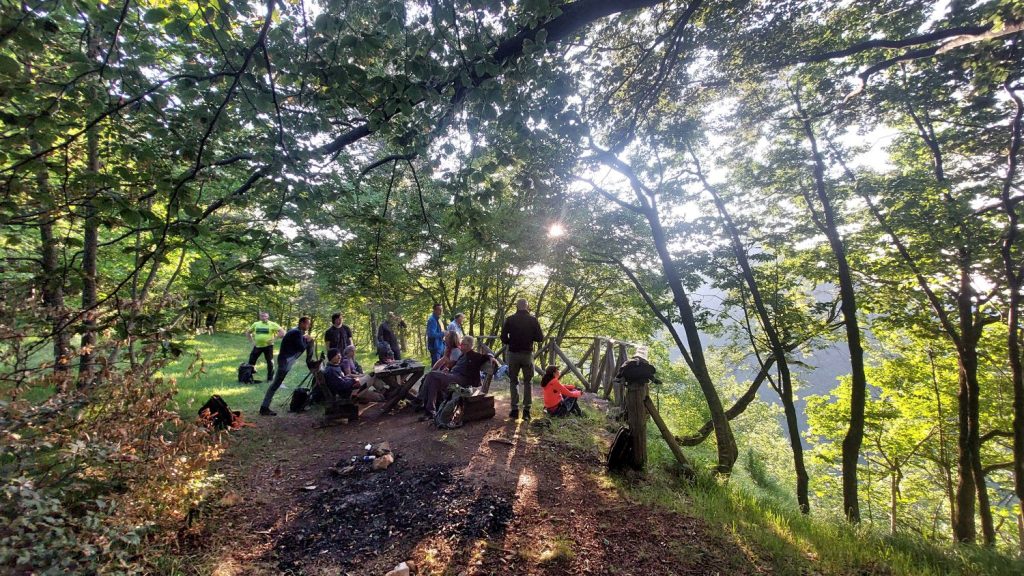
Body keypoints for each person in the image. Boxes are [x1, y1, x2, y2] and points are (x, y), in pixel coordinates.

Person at [420, 335, 498, 417]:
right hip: (454, 376)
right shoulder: (462, 355)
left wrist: (492, 357)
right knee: (432, 378)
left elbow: (487, 355)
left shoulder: (474, 355)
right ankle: (429, 411)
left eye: (463, 344)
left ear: (468, 346)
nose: (460, 345)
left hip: (462, 380)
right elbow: (456, 366)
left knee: (432, 375)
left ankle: (421, 402)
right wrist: (448, 370)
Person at [260, 316, 314, 416]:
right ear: (301, 323)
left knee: (275, 384)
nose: (308, 325)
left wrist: (306, 339)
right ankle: (264, 408)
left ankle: (264, 407)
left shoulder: (297, 332)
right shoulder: (296, 332)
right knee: (275, 385)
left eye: (308, 324)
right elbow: (301, 347)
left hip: (286, 361)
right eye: (307, 323)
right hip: (285, 361)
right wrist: (308, 340)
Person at [500, 298, 544, 421]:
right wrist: (530, 337)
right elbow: (540, 338)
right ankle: (526, 411)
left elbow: (503, 337)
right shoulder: (533, 320)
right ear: (527, 306)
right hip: (527, 354)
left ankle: (514, 410)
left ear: (516, 306)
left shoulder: (510, 319)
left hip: (513, 353)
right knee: (528, 382)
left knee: (513, 382)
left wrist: (511, 342)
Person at [245, 311, 285, 382]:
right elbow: (248, 332)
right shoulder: (256, 324)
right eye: (262, 316)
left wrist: (274, 339)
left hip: (268, 347)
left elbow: (282, 332)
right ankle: (248, 377)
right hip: (257, 346)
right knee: (251, 361)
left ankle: (270, 378)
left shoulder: (272, 324)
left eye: (265, 316)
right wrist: (252, 342)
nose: (263, 318)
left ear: (268, 317)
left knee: (270, 362)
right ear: (260, 317)